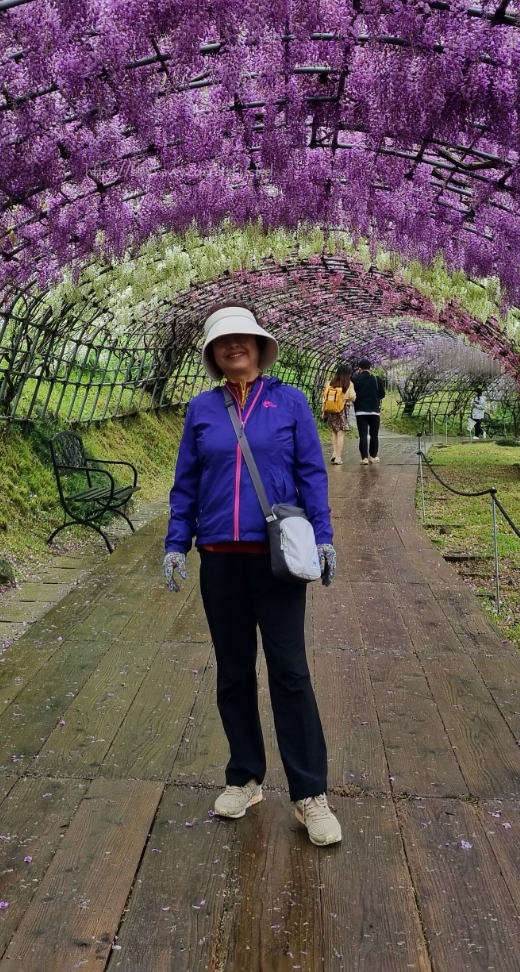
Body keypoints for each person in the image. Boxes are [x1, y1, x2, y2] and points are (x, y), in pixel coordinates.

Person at [161, 303, 341, 848]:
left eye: (242, 339)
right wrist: (176, 543)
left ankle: (311, 795)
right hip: (219, 554)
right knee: (234, 672)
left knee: (290, 671)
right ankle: (245, 777)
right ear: (214, 354)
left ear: (260, 346)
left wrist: (325, 536)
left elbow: (311, 471)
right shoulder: (202, 409)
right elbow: (186, 482)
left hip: (277, 556)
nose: (233, 346)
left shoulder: (289, 402)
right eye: (222, 341)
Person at [352, 358, 385, 465]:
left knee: (363, 435)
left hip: (361, 411)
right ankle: (373, 456)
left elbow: (353, 395)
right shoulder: (376, 379)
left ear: (359, 368)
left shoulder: (355, 379)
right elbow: (382, 395)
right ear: (370, 368)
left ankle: (364, 458)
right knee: (374, 434)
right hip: (374, 411)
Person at [322, 363, 356, 465]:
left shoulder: (330, 382)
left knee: (334, 431)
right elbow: (353, 397)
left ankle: (334, 453)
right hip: (342, 409)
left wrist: (324, 411)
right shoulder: (349, 383)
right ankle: (338, 457)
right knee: (341, 433)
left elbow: (324, 397)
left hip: (331, 409)